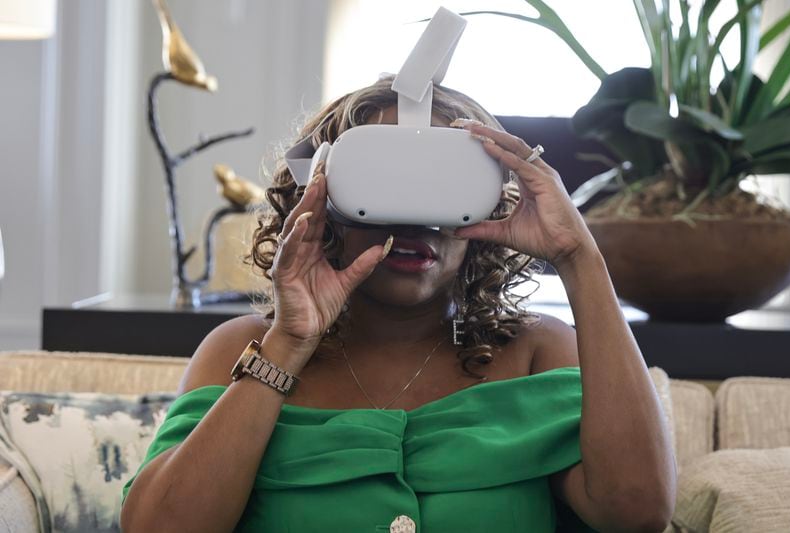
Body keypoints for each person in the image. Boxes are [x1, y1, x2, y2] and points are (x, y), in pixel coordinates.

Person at [120, 77, 676, 532]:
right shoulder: (243, 351)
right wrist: (287, 346)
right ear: (321, 199)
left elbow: (638, 512)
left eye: (444, 187)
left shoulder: (536, 352)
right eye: (384, 185)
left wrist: (579, 256)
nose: (417, 222)